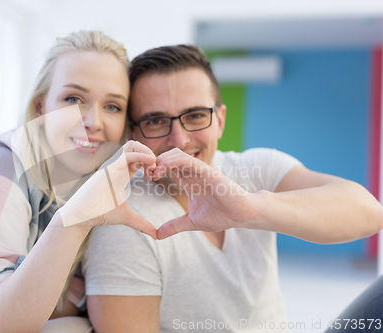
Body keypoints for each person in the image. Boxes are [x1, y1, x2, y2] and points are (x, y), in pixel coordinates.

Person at [82, 45, 383, 332]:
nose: (180, 141)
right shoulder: (124, 221)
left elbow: (369, 212)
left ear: (220, 121)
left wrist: (252, 209)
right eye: (156, 121)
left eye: (195, 116)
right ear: (132, 134)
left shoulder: (255, 168)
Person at [0, 30, 158, 333]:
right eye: (73, 98)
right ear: (40, 108)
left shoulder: (112, 172)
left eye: (112, 106)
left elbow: (75, 291)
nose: (94, 122)